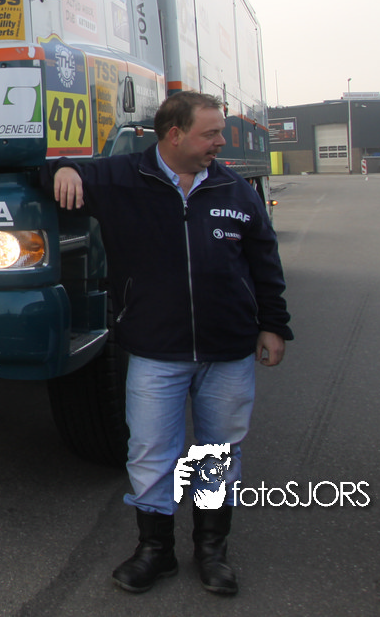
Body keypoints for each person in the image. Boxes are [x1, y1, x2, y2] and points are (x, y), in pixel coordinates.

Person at [49, 91, 291, 596]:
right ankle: (154, 550)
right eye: (211, 133)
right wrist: (65, 169)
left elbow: (265, 262)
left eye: (219, 132)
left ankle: (211, 550)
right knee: (151, 452)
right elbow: (41, 170)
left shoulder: (233, 189)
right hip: (156, 350)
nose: (220, 142)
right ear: (174, 135)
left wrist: (273, 325)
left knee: (217, 452)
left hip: (227, 351)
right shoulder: (121, 179)